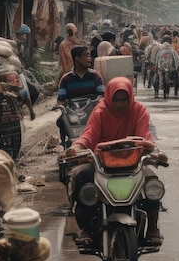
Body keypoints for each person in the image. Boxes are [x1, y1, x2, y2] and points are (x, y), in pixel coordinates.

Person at [66, 77, 166, 245]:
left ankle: (152, 228)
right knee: (82, 180)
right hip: (102, 164)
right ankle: (86, 229)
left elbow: (145, 136)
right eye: (116, 99)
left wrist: (155, 152)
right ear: (109, 97)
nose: (120, 104)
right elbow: (89, 134)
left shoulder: (139, 110)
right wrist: (76, 147)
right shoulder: (100, 112)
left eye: (124, 99)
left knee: (152, 184)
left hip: (133, 163)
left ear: (131, 98)